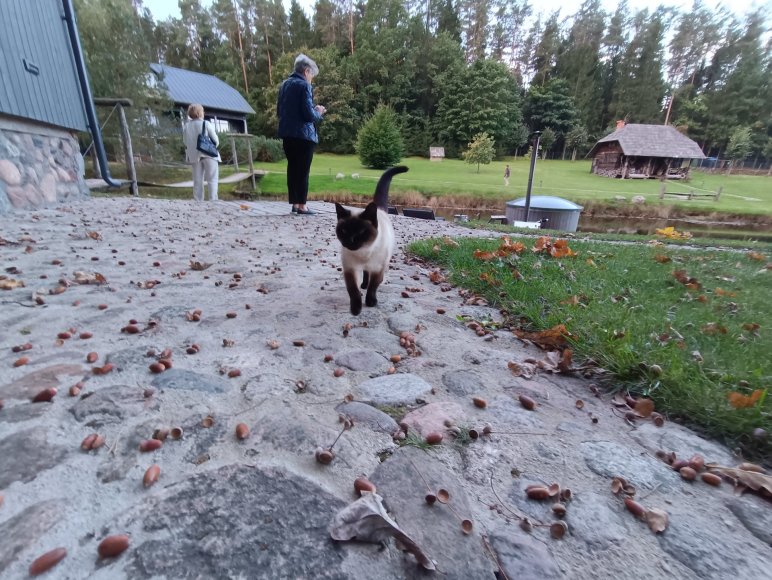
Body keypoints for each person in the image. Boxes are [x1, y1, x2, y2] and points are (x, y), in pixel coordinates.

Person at [277, 54, 326, 215]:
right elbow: (308, 115)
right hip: (304, 136)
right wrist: (318, 112)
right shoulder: (304, 86)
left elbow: (280, 111)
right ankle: (302, 205)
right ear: (306, 71)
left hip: (287, 134)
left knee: (292, 169)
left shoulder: (284, 85)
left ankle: (295, 204)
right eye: (312, 74)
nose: (312, 78)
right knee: (303, 171)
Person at [182, 104, 220, 201]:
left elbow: (185, 142)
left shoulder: (186, 126)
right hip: (208, 154)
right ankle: (213, 200)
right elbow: (215, 140)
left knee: (197, 180)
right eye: (203, 111)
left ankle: (198, 200)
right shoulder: (206, 124)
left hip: (194, 156)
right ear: (199, 113)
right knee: (212, 179)